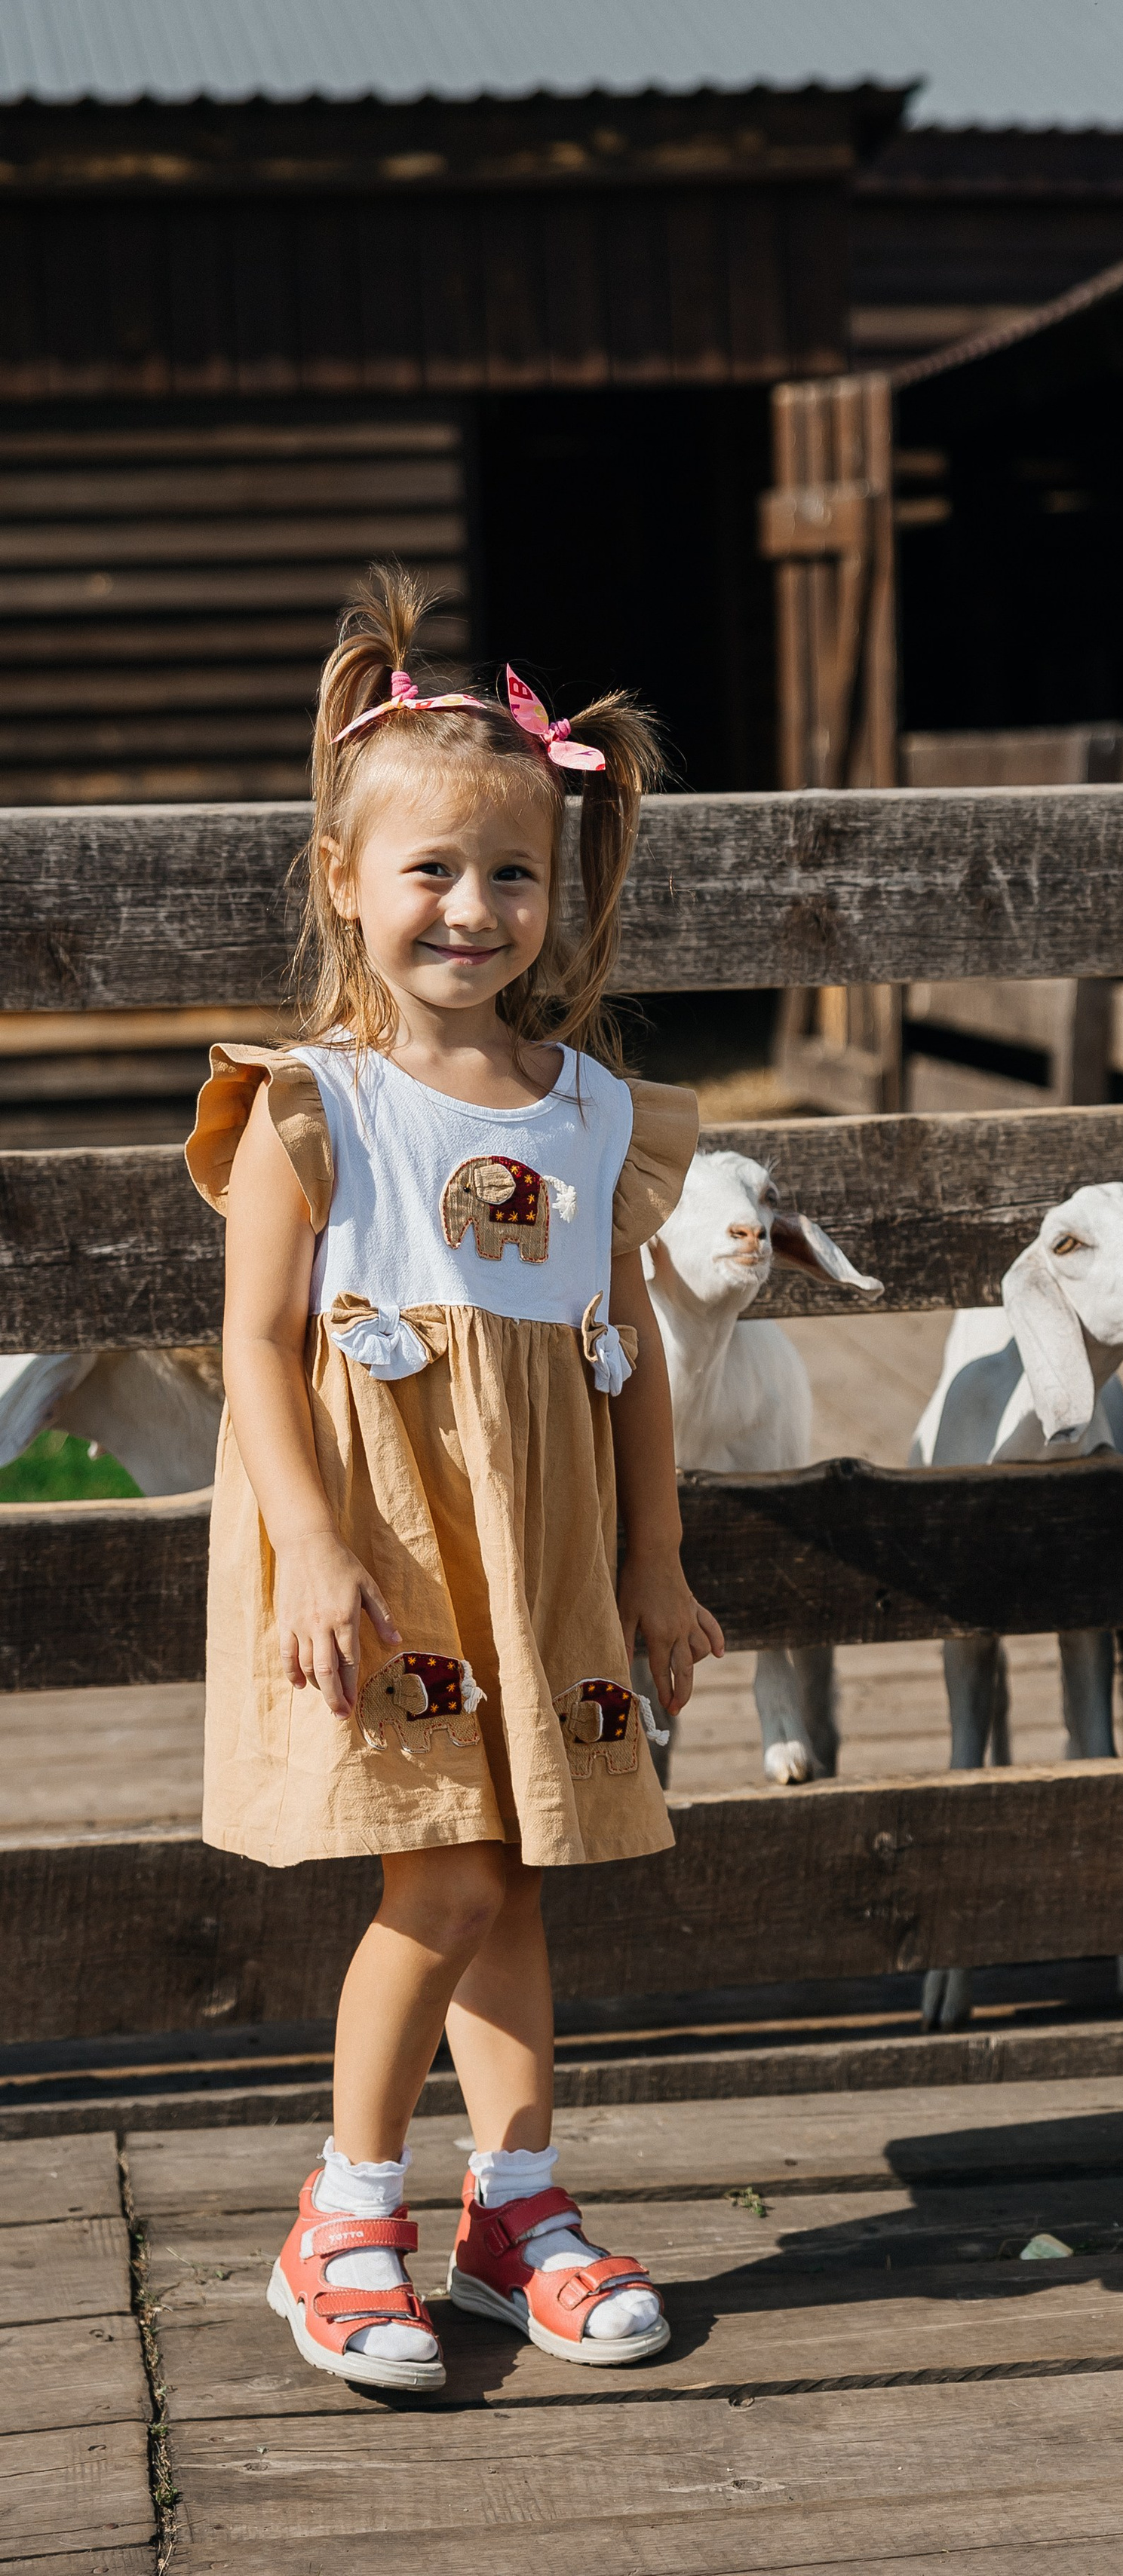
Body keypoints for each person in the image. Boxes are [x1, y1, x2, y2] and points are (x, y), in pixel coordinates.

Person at [186, 568, 723, 2391]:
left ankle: (518, 2210)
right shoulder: (309, 1104)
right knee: (439, 1882)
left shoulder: (588, 1112)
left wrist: (655, 1558)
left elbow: (622, 1346)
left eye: (511, 873)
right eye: (429, 870)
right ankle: (344, 2216)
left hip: (547, 1546)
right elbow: (259, 1348)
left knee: (520, 1870)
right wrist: (318, 1553)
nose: (473, 909)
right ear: (343, 878)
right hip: (390, 1549)